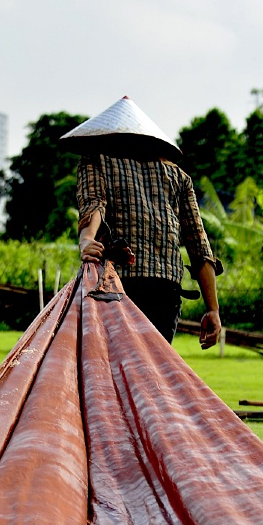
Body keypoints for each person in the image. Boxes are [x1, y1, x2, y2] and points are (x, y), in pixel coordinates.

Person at [61, 96, 223, 348]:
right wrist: (213, 309)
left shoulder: (96, 161)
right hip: (166, 291)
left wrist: (86, 239)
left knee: (118, 371)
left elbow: (94, 205)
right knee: (153, 372)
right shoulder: (179, 177)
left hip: (119, 285)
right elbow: (199, 246)